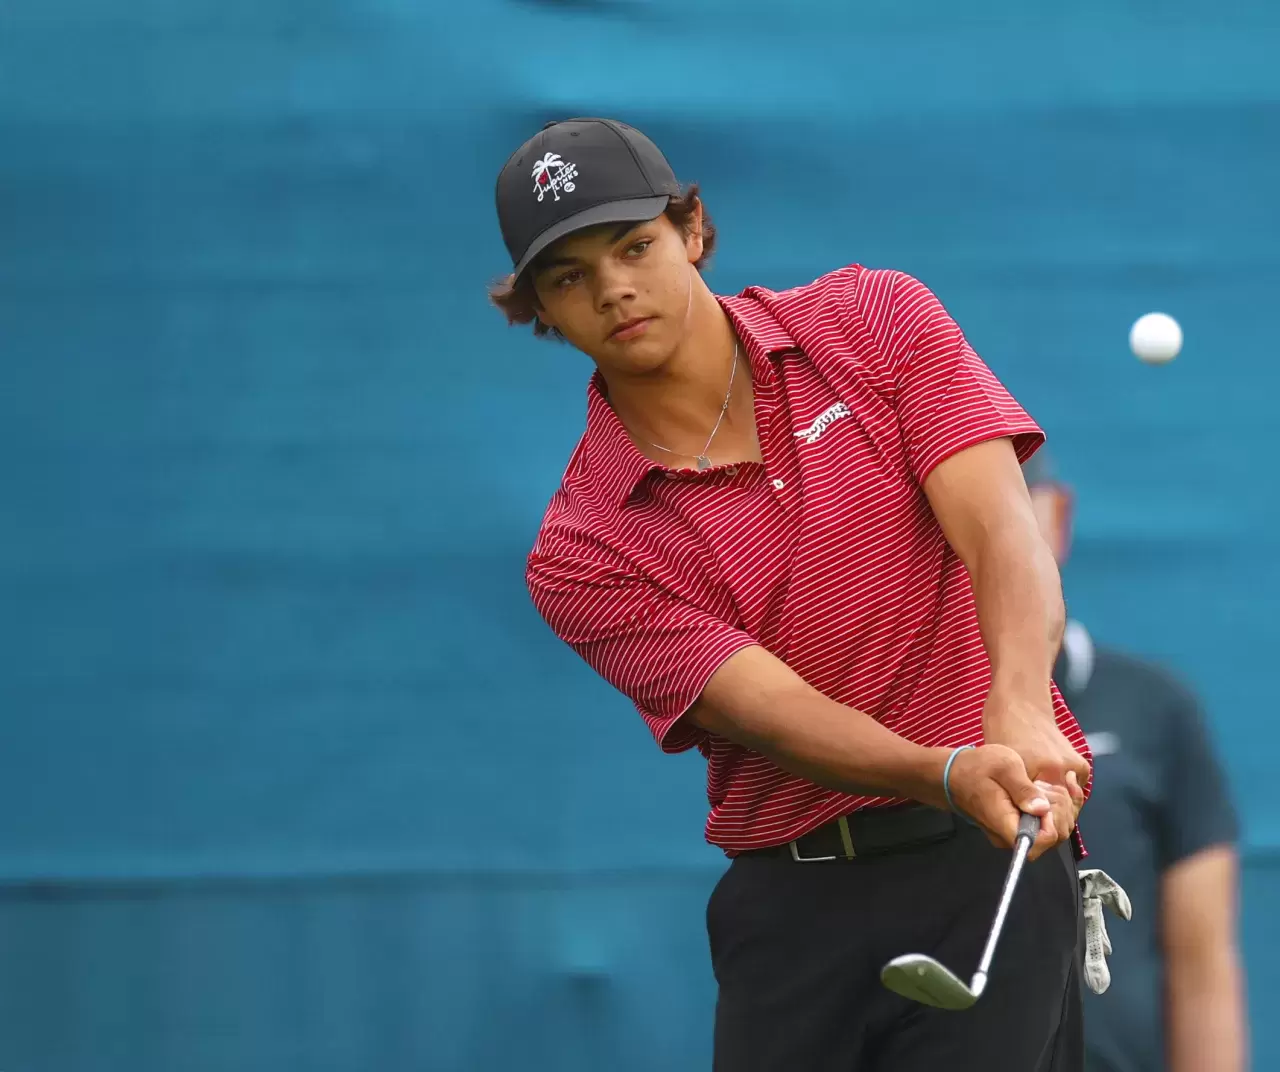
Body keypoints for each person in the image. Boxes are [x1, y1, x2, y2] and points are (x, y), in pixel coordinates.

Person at [491, 117, 1092, 1071]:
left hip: (988, 871)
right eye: (569, 276)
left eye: (634, 246)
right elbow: (771, 709)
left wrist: (1017, 697)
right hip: (793, 908)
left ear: (692, 230)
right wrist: (943, 770)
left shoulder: (874, 319)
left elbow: (1001, 534)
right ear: (540, 312)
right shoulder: (581, 547)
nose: (614, 288)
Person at [1025, 452, 1249, 1072]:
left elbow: (1203, 963)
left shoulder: (1156, 705)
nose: (1002, 531)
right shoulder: (893, 715)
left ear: (1060, 517)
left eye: (1021, 503)